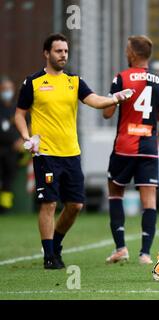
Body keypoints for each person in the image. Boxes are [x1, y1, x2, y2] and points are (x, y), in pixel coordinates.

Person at [15, 33, 134, 270]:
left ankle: (55, 245)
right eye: (59, 51)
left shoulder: (74, 81)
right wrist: (27, 137)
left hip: (71, 154)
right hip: (45, 154)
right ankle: (49, 256)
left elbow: (95, 101)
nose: (63, 55)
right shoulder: (33, 82)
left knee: (76, 205)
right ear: (46, 53)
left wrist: (116, 99)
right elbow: (20, 114)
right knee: (48, 204)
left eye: (66, 51)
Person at [102, 35, 159, 265]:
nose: (125, 52)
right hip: (149, 147)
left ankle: (121, 248)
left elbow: (107, 112)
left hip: (125, 147)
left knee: (115, 193)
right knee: (149, 201)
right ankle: (145, 254)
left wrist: (116, 100)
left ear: (133, 53)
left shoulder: (121, 78)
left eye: (127, 49)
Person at [0, 76, 22, 213]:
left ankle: (5, 209)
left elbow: (29, 126)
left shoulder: (17, 109)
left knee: (8, 181)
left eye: (9, 89)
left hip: (12, 152)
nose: (7, 92)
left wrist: (21, 140)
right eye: (4, 89)